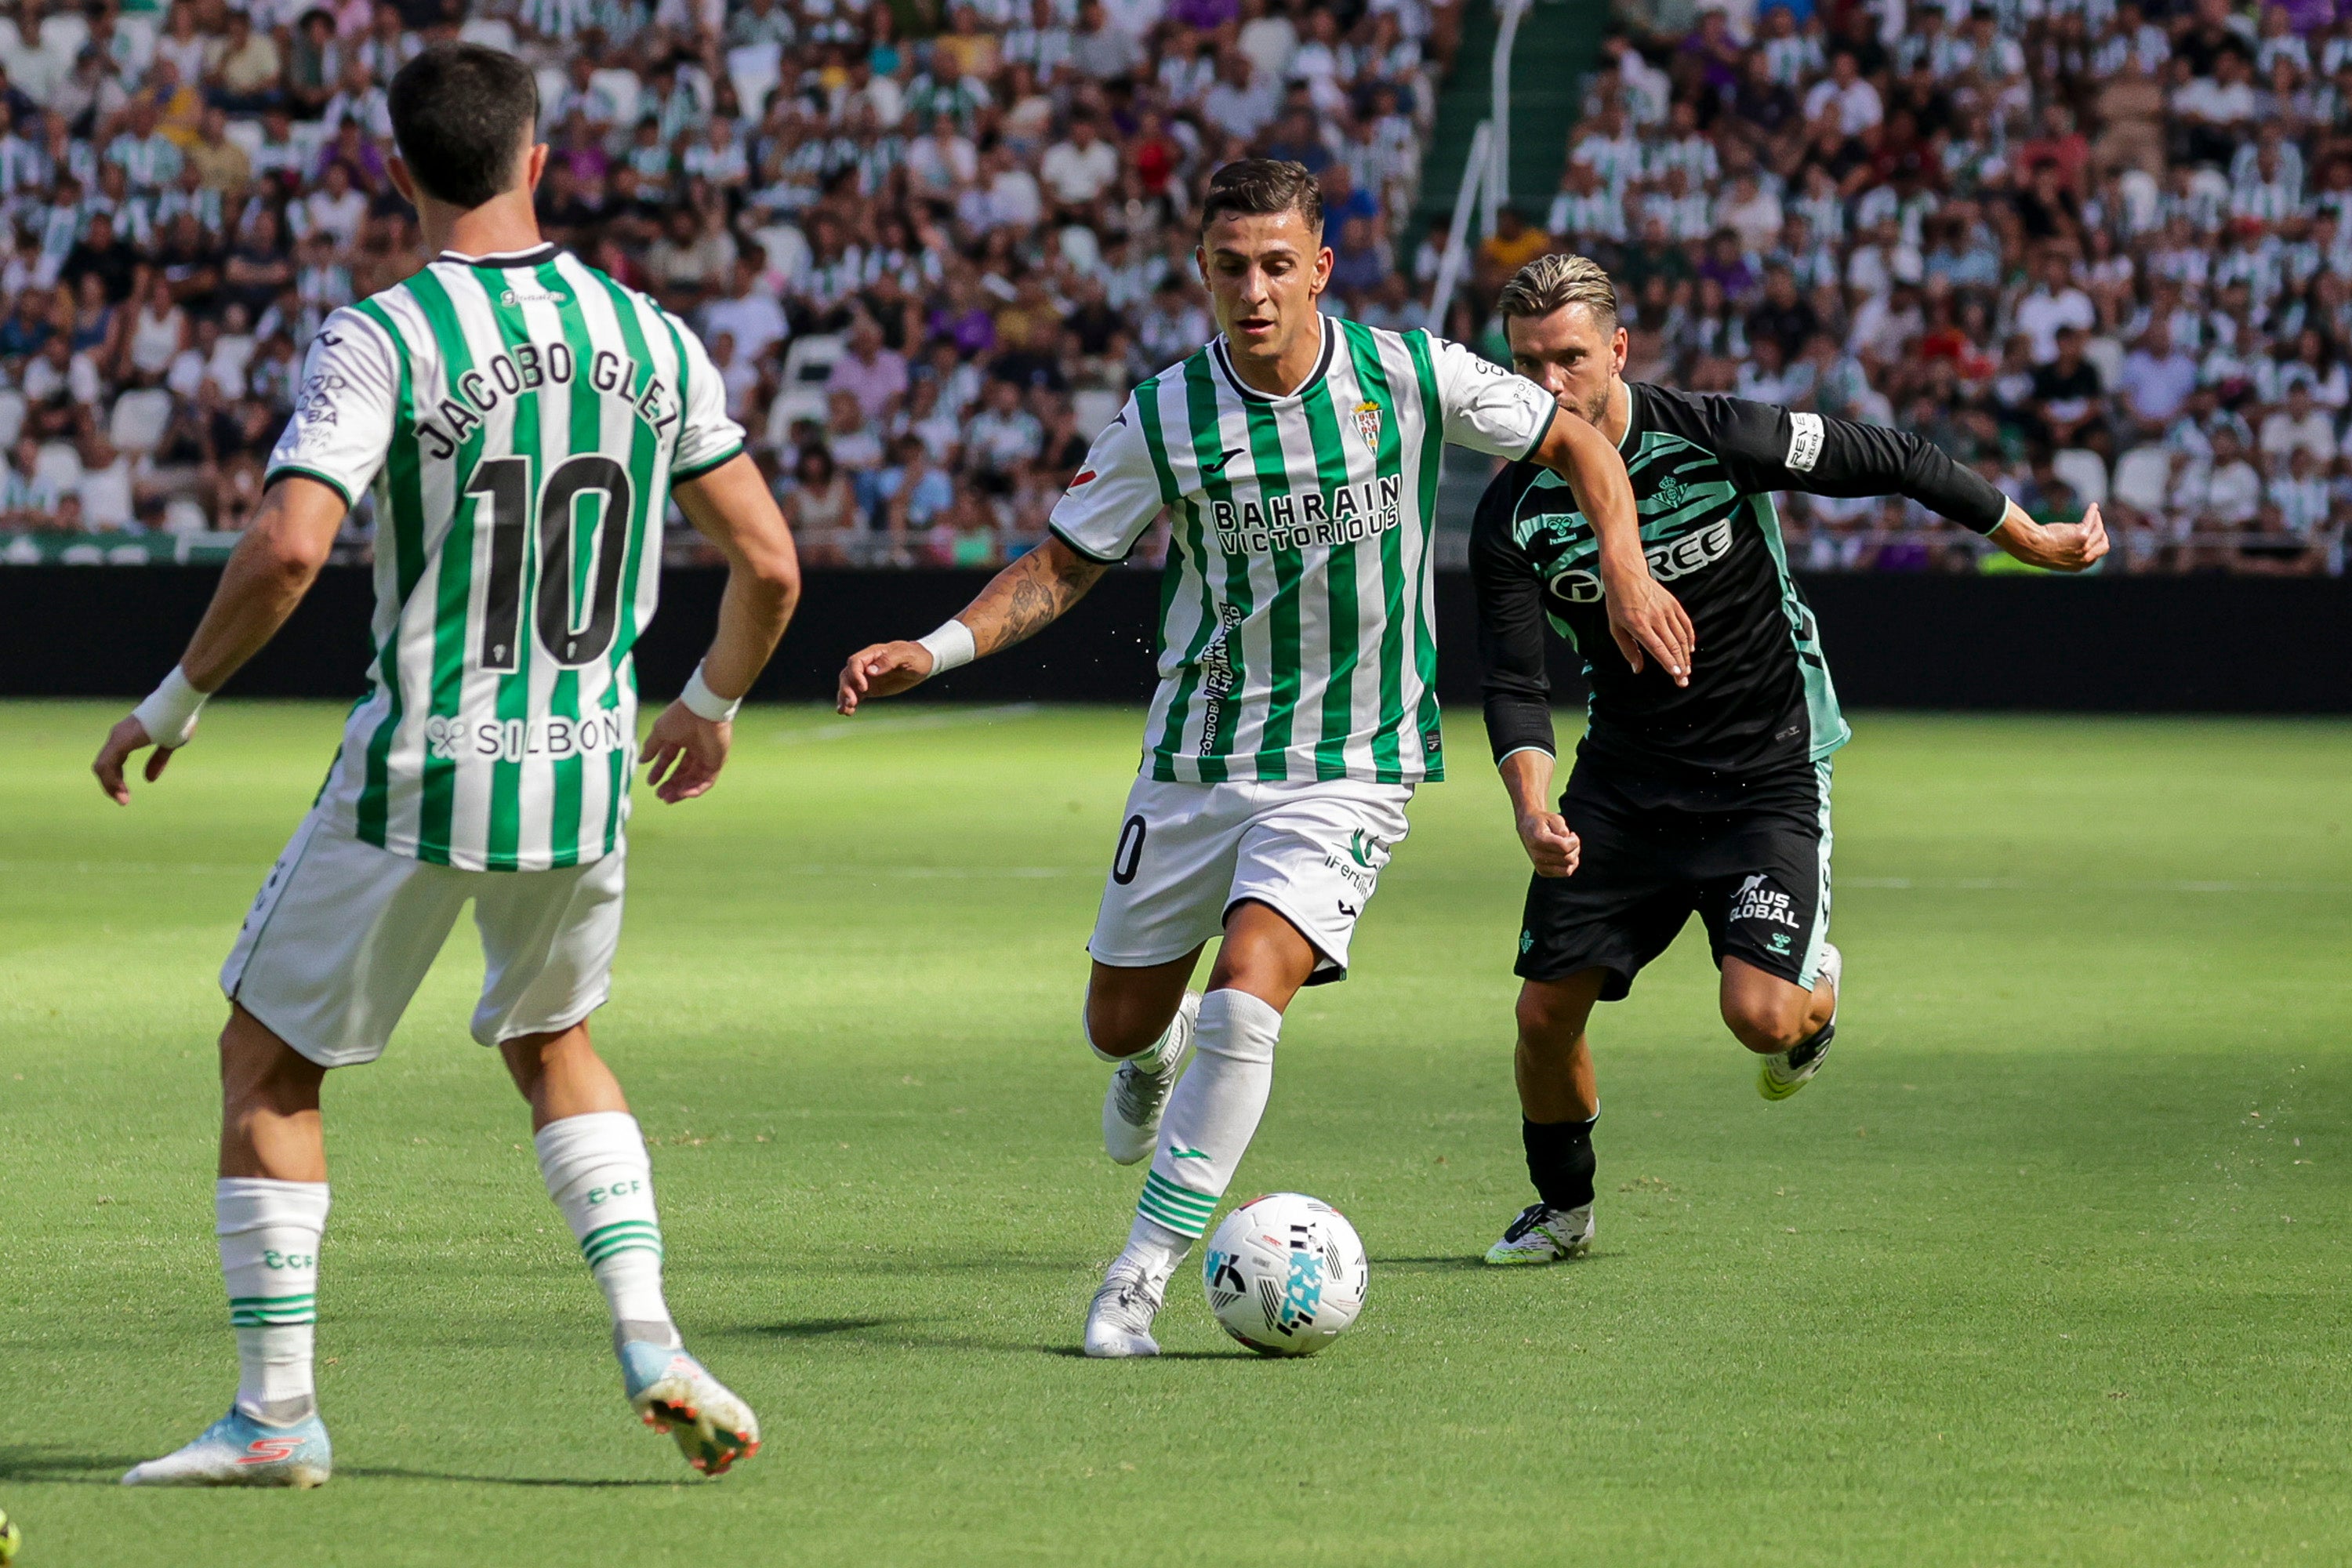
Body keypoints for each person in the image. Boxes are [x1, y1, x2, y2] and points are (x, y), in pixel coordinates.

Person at [91, 42, 801, 1489]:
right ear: (541, 158)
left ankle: (277, 1417)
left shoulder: (384, 336)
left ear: (395, 169)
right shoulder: (654, 338)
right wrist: (712, 700)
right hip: (583, 777)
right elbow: (772, 564)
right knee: (555, 1046)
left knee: (267, 1064)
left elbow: (293, 544)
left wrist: (174, 700)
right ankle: (653, 1337)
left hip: (423, 767)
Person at [833, 160, 1687, 1357]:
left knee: (1249, 996)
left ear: (1320, 268)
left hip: (1351, 764)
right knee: (1120, 1025)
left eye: (1278, 263)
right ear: (1202, 273)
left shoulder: (1408, 374)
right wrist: (935, 649)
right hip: (1195, 759)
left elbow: (1584, 449)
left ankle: (1136, 1280)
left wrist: (1629, 563)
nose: (1255, 288)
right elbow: (1065, 564)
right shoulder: (1162, 414)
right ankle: (1153, 1050)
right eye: (1231, 266)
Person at [1465, 252, 2107, 1266]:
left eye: (1572, 360)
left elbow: (1890, 454)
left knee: (1763, 1022)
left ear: (1619, 352)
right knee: (1543, 1015)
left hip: (1767, 768)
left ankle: (1815, 1001)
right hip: (1624, 785)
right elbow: (1511, 681)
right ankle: (1564, 1212)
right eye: (1526, 365)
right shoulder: (1512, 514)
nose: (1549, 387)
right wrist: (1533, 806)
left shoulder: (1716, 434)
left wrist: (2023, 533)